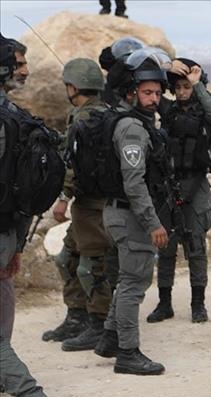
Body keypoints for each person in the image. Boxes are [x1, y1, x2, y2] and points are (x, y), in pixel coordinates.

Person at [0, 33, 75, 397]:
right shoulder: (18, 119)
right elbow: (19, 194)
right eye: (19, 63)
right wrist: (15, 245)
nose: (25, 70)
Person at [92, 49, 171, 375]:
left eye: (157, 93)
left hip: (121, 213)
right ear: (130, 93)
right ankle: (128, 352)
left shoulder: (132, 122)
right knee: (133, 285)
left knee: (128, 279)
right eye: (147, 93)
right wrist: (153, 224)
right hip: (129, 215)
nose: (154, 99)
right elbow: (134, 182)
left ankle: (110, 338)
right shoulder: (132, 129)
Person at [146, 58, 211, 324]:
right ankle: (164, 303)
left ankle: (198, 304)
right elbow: (148, 93)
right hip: (170, 185)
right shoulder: (168, 110)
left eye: (186, 87)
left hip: (196, 185)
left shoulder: (205, 112)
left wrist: (196, 83)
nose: (181, 92)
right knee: (165, 246)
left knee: (196, 246)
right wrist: (166, 69)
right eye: (177, 87)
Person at [47, 58, 116, 352]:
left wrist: (63, 198)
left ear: (73, 87)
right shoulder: (102, 114)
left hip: (94, 206)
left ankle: (99, 324)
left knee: (92, 267)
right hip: (89, 205)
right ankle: (77, 317)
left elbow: (73, 164)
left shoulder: (85, 120)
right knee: (67, 259)